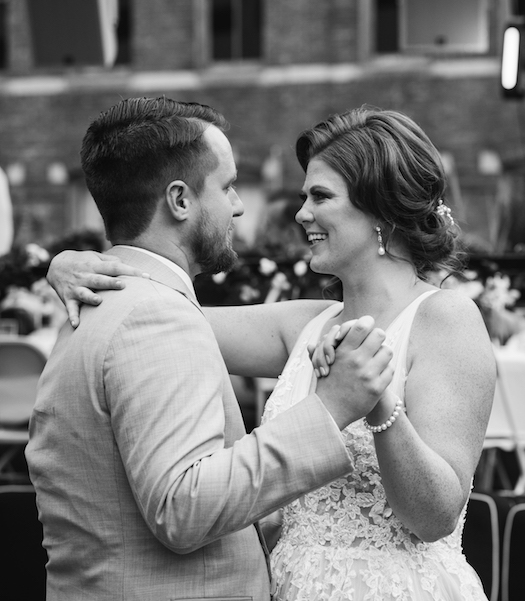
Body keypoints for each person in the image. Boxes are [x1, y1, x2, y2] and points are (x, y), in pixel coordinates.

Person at [48, 106, 496, 600]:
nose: (301, 212)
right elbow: (156, 322)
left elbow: (436, 516)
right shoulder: (303, 325)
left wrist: (380, 406)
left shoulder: (446, 319)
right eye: (305, 196)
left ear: (382, 212)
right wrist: (72, 265)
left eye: (320, 196)